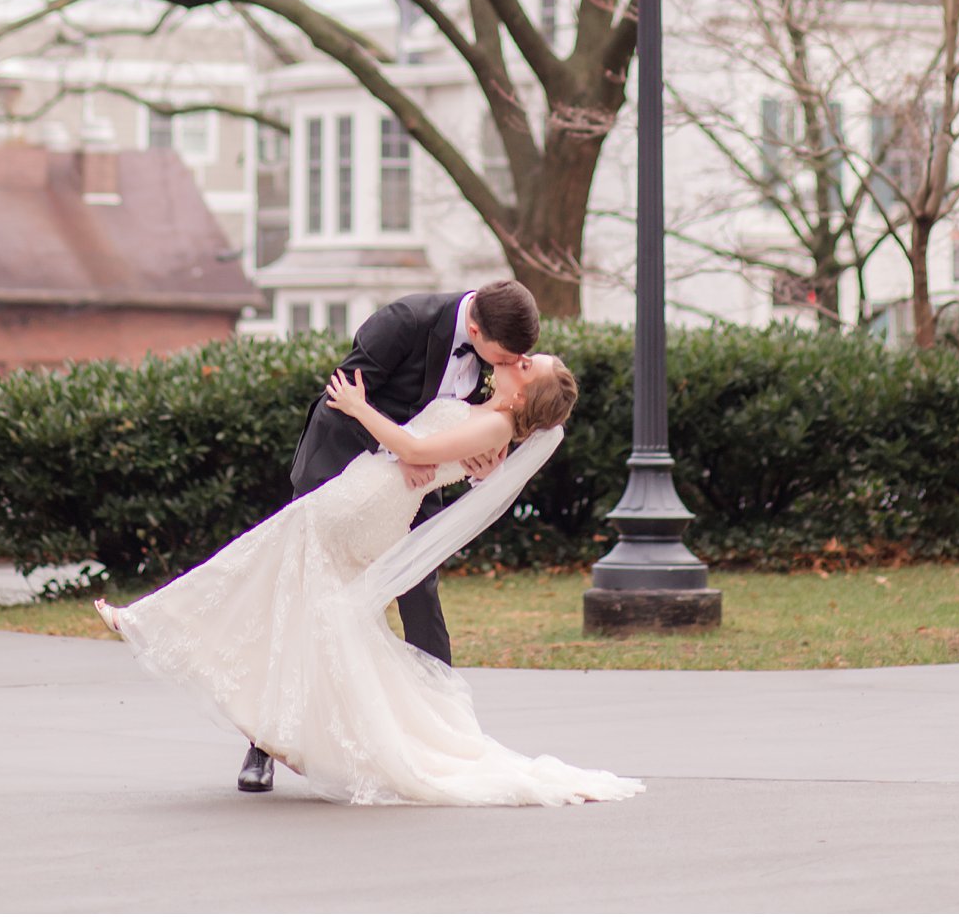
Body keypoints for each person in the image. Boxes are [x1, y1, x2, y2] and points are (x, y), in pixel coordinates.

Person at [97, 343, 643, 807]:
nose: (519, 359)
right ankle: (273, 719)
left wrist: (358, 407)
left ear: (522, 395)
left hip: (367, 506)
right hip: (370, 503)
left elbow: (414, 448)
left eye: (528, 366)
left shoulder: (495, 425)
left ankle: (150, 623)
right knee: (288, 590)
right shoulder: (492, 421)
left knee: (257, 564)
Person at [235, 280, 539, 792]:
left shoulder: (499, 350)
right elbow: (344, 397)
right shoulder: (404, 320)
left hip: (412, 489)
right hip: (344, 473)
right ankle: (263, 744)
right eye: (505, 356)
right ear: (474, 328)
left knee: (421, 593)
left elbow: (476, 421)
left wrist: (471, 455)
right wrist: (405, 453)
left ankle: (445, 735)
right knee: (308, 599)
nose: (510, 366)